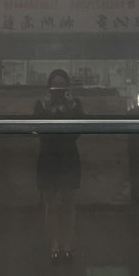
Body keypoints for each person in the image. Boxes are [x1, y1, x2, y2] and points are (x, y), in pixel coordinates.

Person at [33, 69, 84, 262]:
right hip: (48, 156)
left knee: (69, 203)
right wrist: (46, 107)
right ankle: (54, 243)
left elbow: (79, 129)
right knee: (51, 204)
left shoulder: (75, 103)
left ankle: (68, 244)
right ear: (49, 87)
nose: (58, 89)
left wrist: (71, 106)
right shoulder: (41, 103)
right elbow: (37, 129)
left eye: (62, 85)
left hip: (68, 156)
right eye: (55, 85)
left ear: (68, 87)